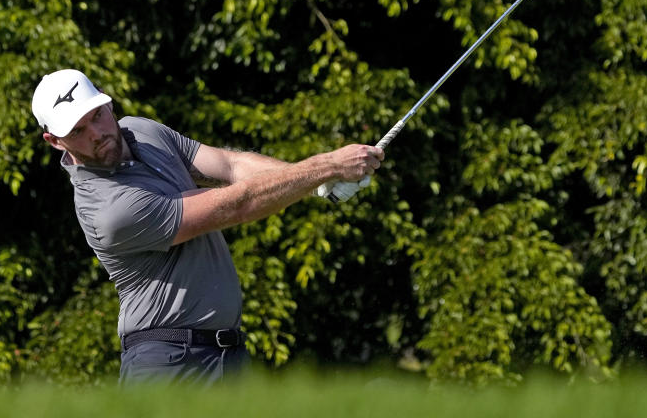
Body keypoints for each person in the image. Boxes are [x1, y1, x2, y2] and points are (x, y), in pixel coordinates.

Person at [31, 68, 384, 386]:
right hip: (167, 364)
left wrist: (316, 183)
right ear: (55, 141)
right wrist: (325, 167)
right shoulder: (109, 209)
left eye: (97, 116)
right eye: (78, 130)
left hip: (226, 355)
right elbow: (236, 204)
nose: (97, 133)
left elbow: (230, 165)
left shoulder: (142, 131)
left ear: (108, 105)